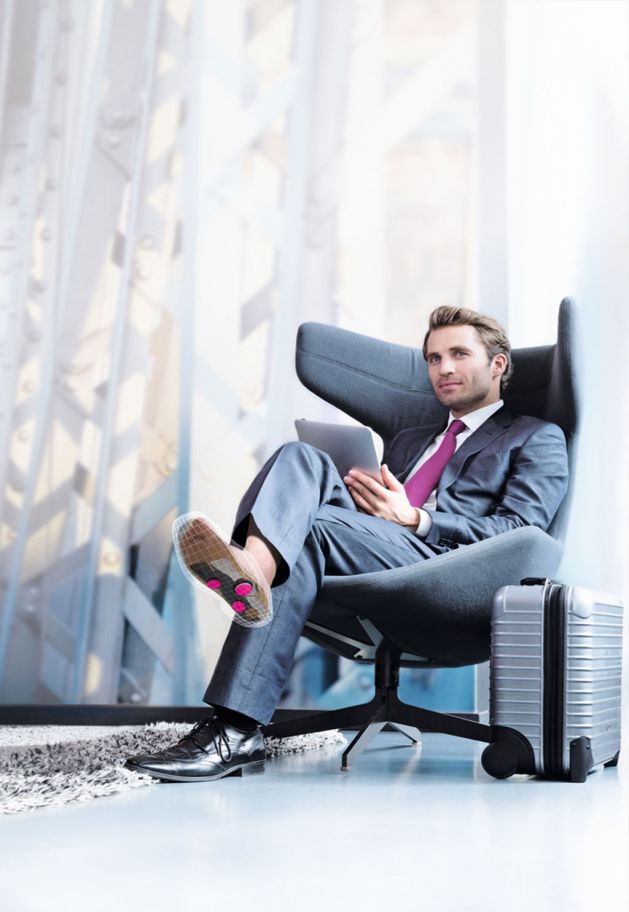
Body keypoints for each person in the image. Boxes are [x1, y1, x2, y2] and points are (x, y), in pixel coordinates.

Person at [125, 306, 569, 782]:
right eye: (434, 358)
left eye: (459, 354)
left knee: (310, 532)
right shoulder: (412, 439)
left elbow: (522, 529)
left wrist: (418, 519)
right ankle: (253, 571)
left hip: (450, 567)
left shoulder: (535, 437)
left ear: (497, 364)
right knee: (303, 457)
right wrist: (369, 505)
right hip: (377, 547)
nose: (443, 368)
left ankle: (236, 722)